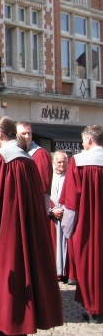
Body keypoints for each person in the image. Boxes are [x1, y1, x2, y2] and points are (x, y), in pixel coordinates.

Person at [0, 116, 63, 336]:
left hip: (8, 230)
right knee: (9, 279)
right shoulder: (27, 160)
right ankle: (4, 328)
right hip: (25, 227)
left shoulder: (1, 159)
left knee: (12, 279)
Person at [60, 125, 103, 324]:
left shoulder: (78, 161)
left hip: (86, 225)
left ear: (89, 140)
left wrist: (67, 228)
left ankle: (93, 308)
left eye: (83, 139)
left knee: (88, 264)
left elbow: (72, 200)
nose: (82, 143)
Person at [17, 121, 53, 208]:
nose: (27, 137)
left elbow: (43, 186)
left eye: (29, 133)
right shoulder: (18, 153)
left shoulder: (40, 154)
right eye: (23, 133)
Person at [49, 151, 69, 282]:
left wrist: (63, 209)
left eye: (64, 161)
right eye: (59, 162)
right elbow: (44, 191)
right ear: (54, 162)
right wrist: (52, 208)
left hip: (67, 214)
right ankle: (54, 271)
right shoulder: (49, 175)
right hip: (51, 214)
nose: (62, 164)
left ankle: (66, 271)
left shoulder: (71, 175)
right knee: (53, 244)